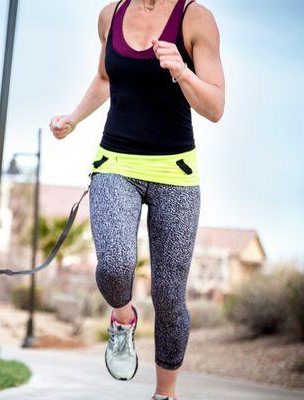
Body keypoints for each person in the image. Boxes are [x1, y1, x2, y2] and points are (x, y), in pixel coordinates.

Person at [49, 0, 225, 399]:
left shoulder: (196, 18)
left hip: (175, 173)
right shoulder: (110, 15)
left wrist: (181, 70)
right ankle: (123, 317)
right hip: (116, 163)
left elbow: (215, 107)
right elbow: (105, 78)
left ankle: (164, 394)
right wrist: (74, 118)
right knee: (114, 265)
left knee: (168, 296)